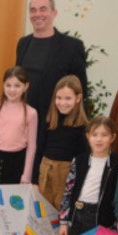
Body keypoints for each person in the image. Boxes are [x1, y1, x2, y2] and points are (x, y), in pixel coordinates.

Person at [16, 0, 87, 175]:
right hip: (25, 122)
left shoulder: (72, 46)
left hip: (55, 126)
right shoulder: (23, 43)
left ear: (54, 13)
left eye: (43, 9)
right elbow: (18, 82)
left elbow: (81, 89)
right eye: (33, 10)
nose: (37, 14)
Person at [58, 116, 118, 235]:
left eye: (104, 135)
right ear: (88, 136)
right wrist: (63, 222)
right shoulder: (79, 160)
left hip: (100, 218)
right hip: (77, 215)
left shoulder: (117, 164)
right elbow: (68, 191)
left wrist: (115, 226)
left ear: (112, 137)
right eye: (94, 134)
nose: (99, 139)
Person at [33, 75, 89, 208]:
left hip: (66, 177)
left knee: (61, 214)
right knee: (42, 212)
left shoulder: (82, 128)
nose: (62, 102)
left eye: (68, 98)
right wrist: (34, 181)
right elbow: (39, 151)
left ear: (78, 98)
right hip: (45, 174)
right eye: (59, 98)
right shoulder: (48, 122)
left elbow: (83, 161)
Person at [0, 66, 38, 185]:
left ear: (26, 87)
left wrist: (26, 175)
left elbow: (31, 147)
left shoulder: (31, 113)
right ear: (3, 85)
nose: (12, 90)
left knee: (12, 201)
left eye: (17, 85)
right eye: (8, 85)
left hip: (17, 162)